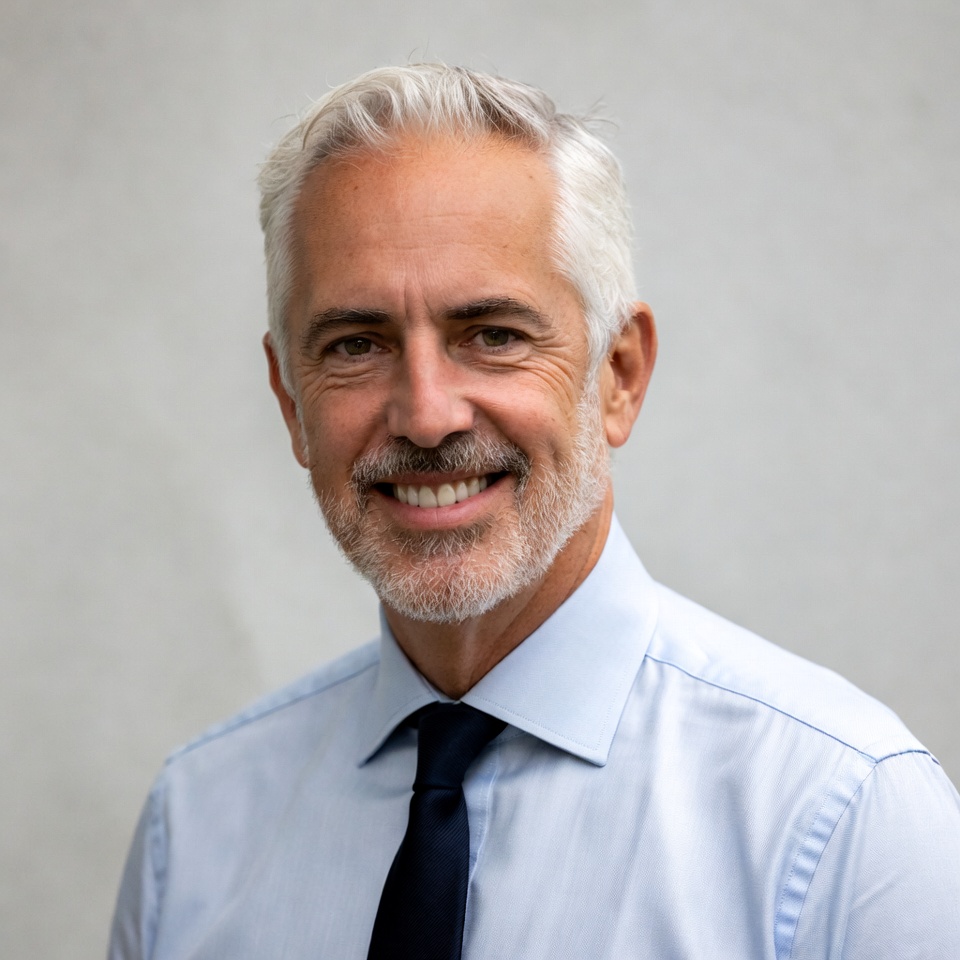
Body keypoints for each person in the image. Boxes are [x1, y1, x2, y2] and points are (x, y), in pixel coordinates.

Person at [109, 64, 960, 960]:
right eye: (357, 344)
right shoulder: (195, 829)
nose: (428, 414)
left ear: (618, 377)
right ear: (291, 404)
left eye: (494, 334)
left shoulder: (842, 818)